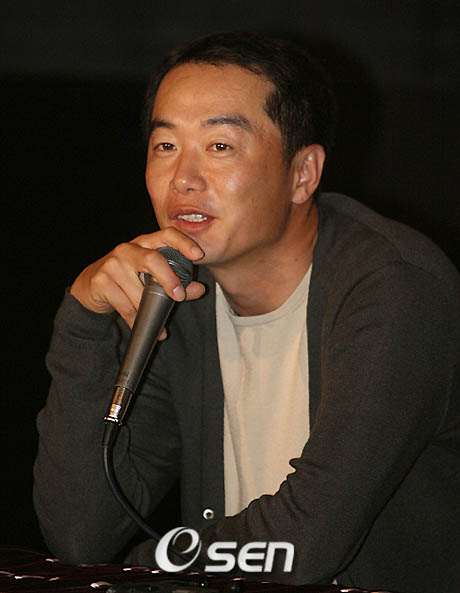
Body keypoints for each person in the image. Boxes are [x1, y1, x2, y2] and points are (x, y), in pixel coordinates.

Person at [33, 32, 459, 592]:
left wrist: (150, 567)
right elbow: (79, 534)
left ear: (302, 174)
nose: (183, 178)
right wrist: (84, 318)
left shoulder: (394, 287)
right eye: (165, 145)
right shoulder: (182, 300)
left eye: (219, 146)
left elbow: (305, 543)